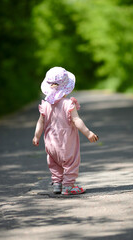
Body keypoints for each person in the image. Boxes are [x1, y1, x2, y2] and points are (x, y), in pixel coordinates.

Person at [32, 67, 99, 195]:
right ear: (67, 87)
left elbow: (40, 122)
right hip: (67, 142)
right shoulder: (68, 104)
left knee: (54, 162)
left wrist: (36, 136)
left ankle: (57, 183)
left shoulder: (45, 105)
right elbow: (77, 121)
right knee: (71, 162)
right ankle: (68, 186)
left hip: (50, 142)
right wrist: (88, 133)